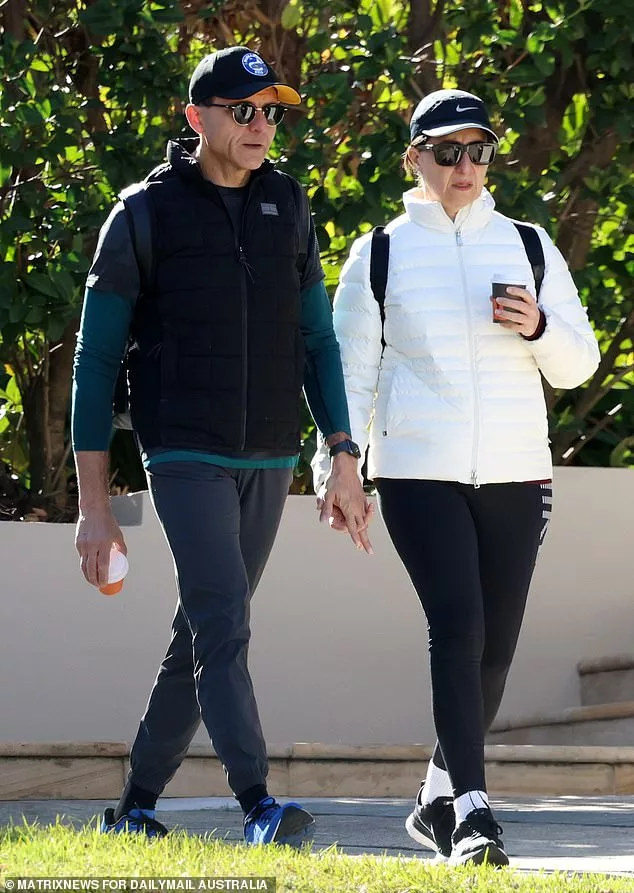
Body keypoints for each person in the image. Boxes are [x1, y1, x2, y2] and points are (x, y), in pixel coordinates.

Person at [72, 45, 372, 847]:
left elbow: (317, 342)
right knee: (224, 622)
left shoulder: (291, 207)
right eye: (244, 110)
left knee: (204, 628)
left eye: (271, 111)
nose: (261, 125)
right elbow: (95, 362)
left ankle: (134, 803)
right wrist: (93, 506)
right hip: (183, 451)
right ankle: (258, 804)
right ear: (196, 116)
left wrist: (343, 451)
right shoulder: (143, 213)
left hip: (270, 455)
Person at [312, 89, 600, 866]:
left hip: (516, 473)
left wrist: (537, 324)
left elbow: (580, 364)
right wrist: (338, 466)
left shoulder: (531, 245)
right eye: (448, 151)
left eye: (478, 152)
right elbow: (349, 374)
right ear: (415, 158)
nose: (465, 166)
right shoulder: (379, 252)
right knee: (459, 624)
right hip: (416, 469)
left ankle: (437, 789)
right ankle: (474, 811)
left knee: (496, 650)